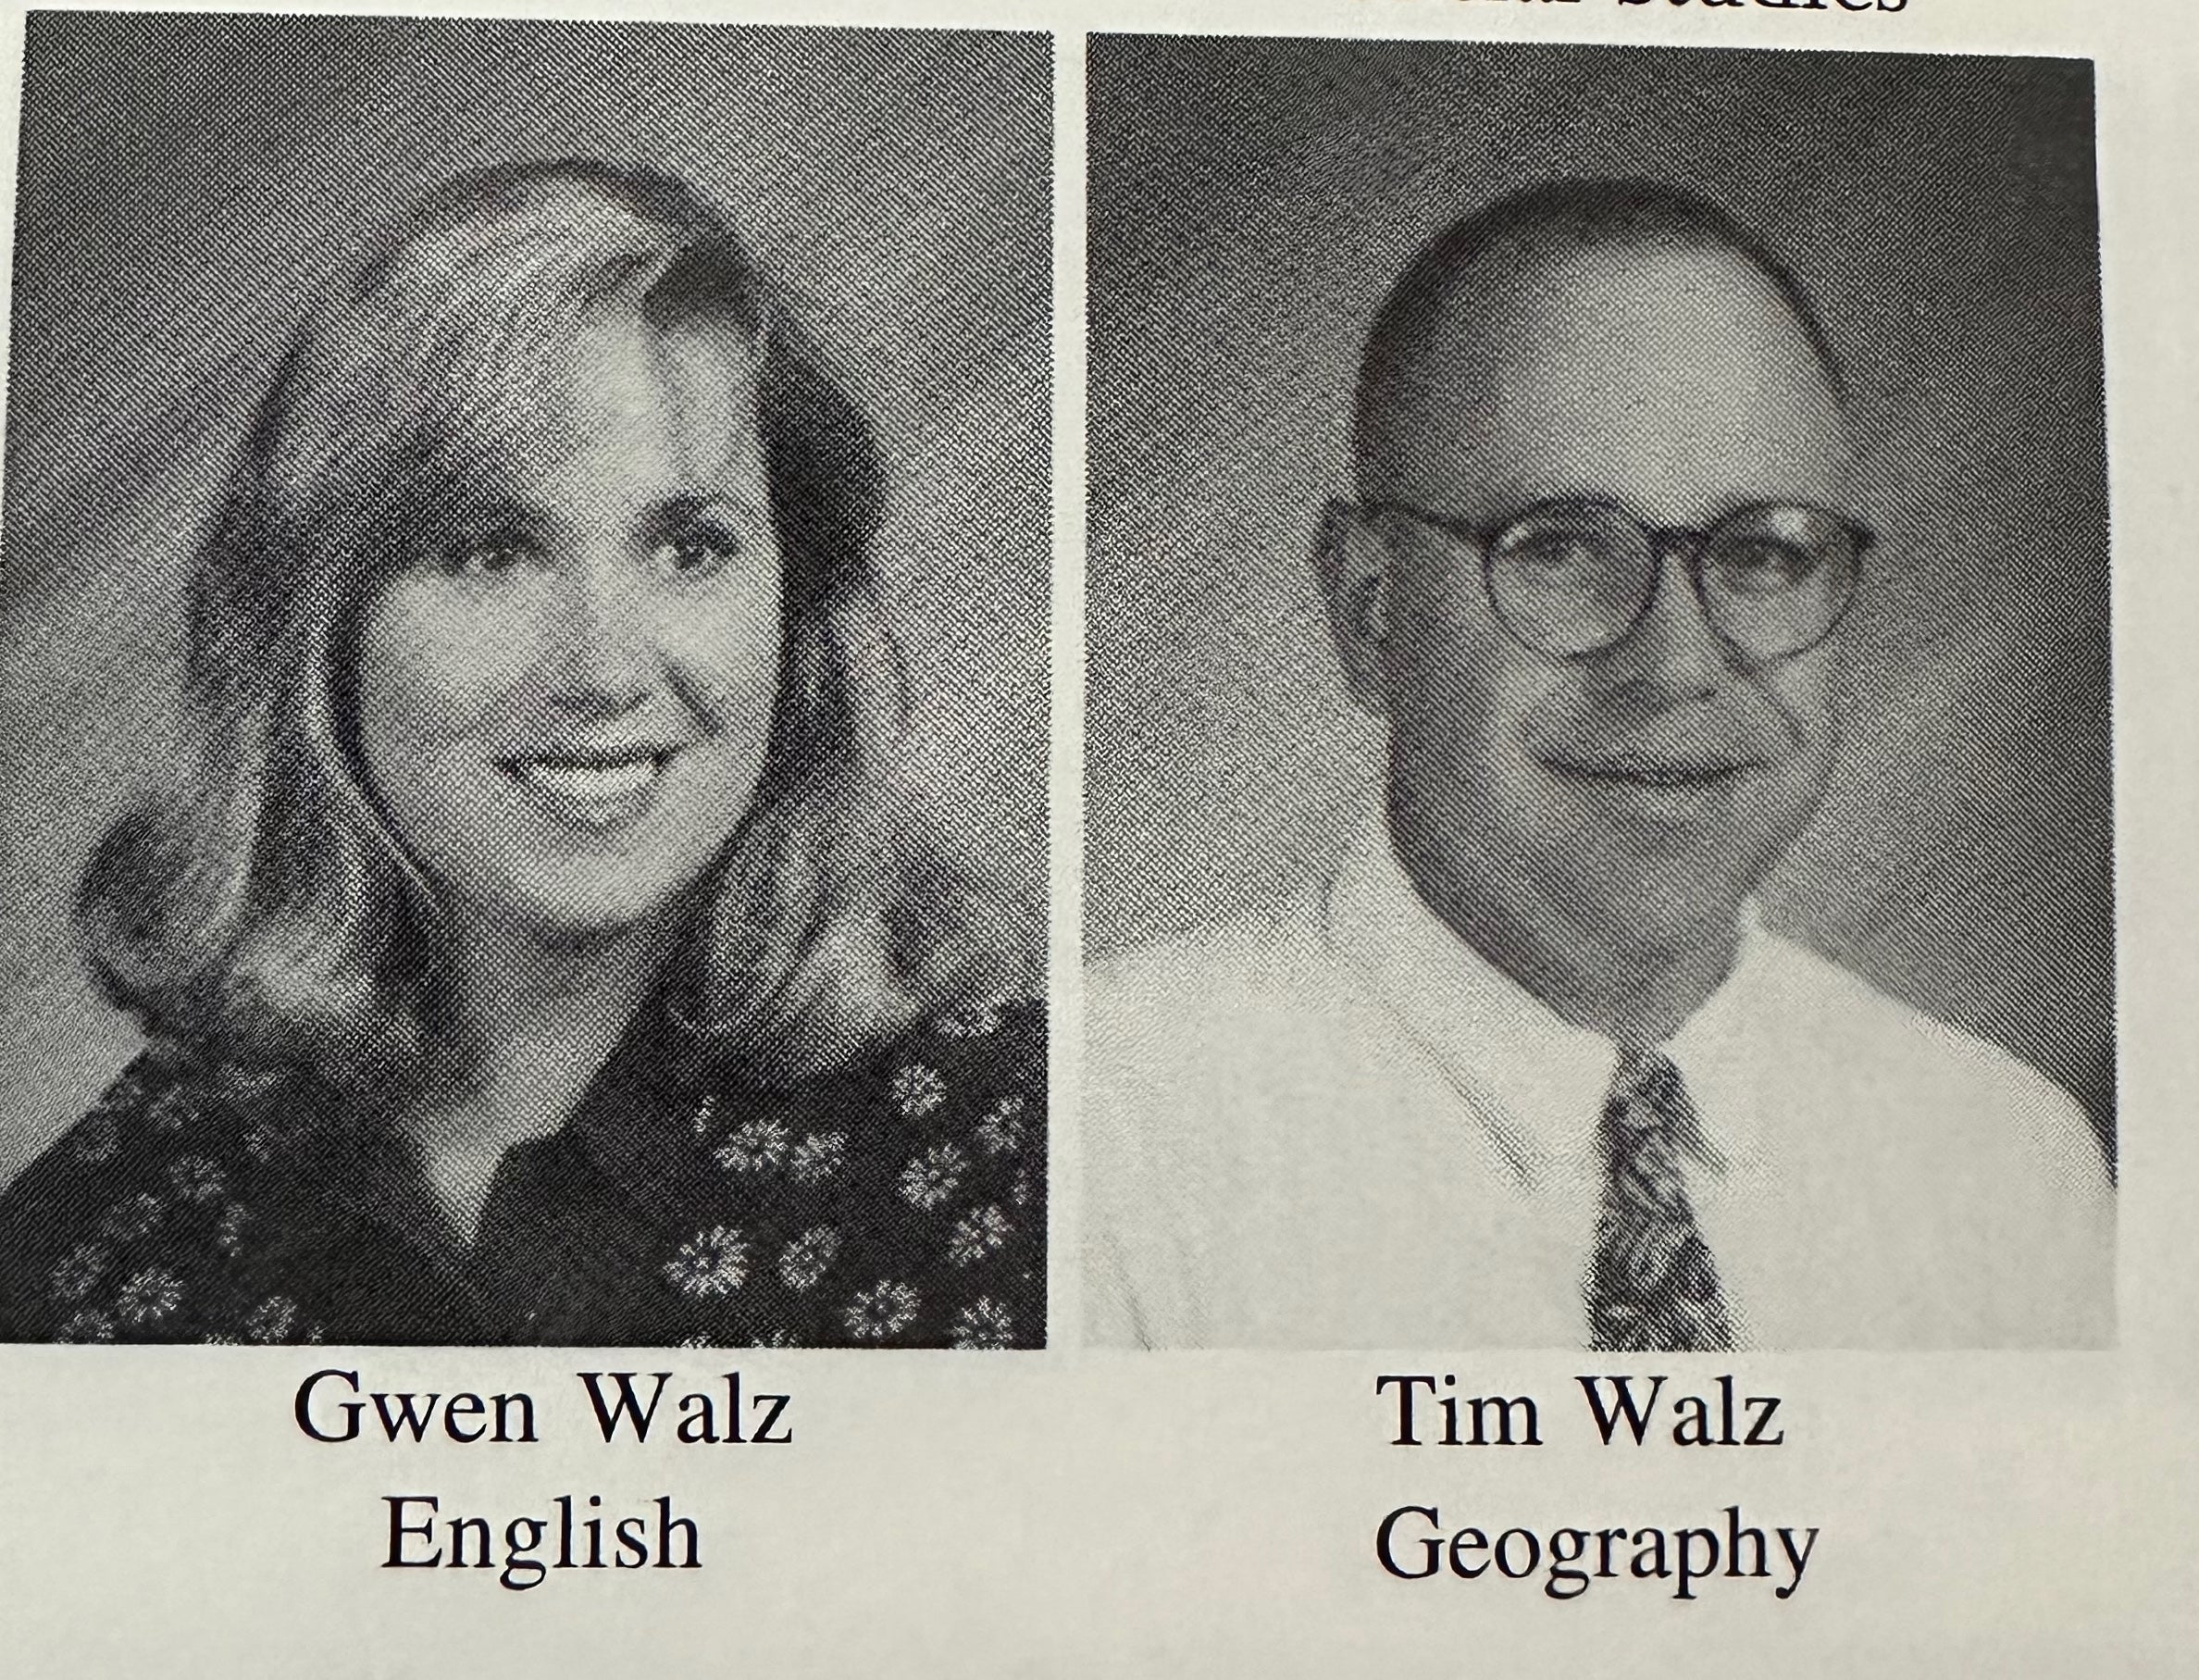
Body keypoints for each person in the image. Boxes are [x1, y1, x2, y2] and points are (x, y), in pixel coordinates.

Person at [0, 160, 1044, 1348]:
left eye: (691, 547)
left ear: (797, 610)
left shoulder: (1020, 1159)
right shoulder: (87, 1249)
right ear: (317, 630)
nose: (603, 670)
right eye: (493, 552)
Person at [1083, 179, 2111, 1351]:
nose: (1676, 662)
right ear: (1371, 608)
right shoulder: (1095, 1143)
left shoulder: (2012, 1172)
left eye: (1765, 553)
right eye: (1562, 546)